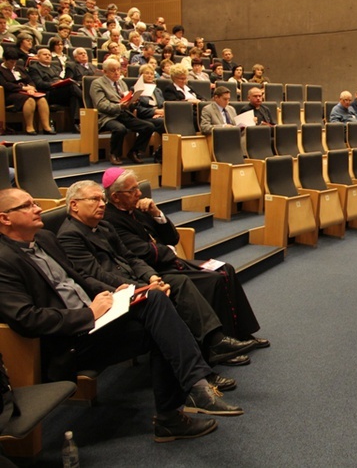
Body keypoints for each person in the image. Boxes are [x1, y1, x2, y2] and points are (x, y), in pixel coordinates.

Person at [0, 188, 242, 442]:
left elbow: (79, 278)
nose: (38, 208)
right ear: (5, 218)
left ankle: (190, 394)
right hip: (69, 342)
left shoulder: (45, 239)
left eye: (35, 202)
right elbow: (27, 318)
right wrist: (88, 314)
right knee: (161, 324)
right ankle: (189, 396)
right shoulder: (4, 260)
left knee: (156, 301)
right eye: (27, 206)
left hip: (97, 318)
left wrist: (119, 292)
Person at [58, 180, 259, 368]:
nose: (102, 204)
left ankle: (215, 342)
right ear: (74, 205)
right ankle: (203, 364)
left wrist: (152, 277)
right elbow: (97, 275)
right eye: (95, 199)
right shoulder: (70, 235)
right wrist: (142, 287)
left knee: (180, 283)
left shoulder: (103, 226)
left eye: (102, 199)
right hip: (114, 294)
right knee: (169, 297)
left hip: (139, 279)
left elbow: (131, 257)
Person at [102, 168, 269, 346]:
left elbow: (173, 238)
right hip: (157, 270)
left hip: (171, 262)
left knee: (225, 268)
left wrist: (156, 213)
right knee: (214, 279)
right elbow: (144, 252)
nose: (139, 193)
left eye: (137, 188)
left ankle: (242, 333)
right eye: (132, 190)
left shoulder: (139, 208)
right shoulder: (111, 220)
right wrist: (170, 250)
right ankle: (222, 342)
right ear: (115, 197)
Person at [89, 58, 155, 165]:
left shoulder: (122, 83)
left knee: (149, 126)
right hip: (108, 116)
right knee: (120, 129)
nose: (117, 73)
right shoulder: (97, 83)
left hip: (124, 114)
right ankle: (114, 154)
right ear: (105, 72)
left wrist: (133, 101)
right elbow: (101, 105)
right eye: (113, 70)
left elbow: (126, 100)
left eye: (118, 70)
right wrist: (120, 106)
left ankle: (134, 151)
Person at [0, 47, 55, 135]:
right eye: (11, 62)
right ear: (4, 59)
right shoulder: (1, 70)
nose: (13, 64)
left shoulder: (19, 68)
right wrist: (23, 88)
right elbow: (5, 85)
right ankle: (29, 127)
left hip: (26, 91)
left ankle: (46, 127)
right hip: (10, 94)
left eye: (15, 62)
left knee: (42, 99)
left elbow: (30, 80)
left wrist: (32, 88)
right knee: (30, 100)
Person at [27, 48, 82, 132]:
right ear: (38, 57)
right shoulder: (34, 68)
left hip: (59, 92)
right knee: (72, 87)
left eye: (49, 55)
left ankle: (75, 124)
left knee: (74, 97)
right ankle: (85, 101)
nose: (48, 56)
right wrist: (54, 84)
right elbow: (38, 83)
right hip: (47, 93)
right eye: (45, 54)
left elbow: (60, 78)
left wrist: (61, 82)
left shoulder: (55, 67)